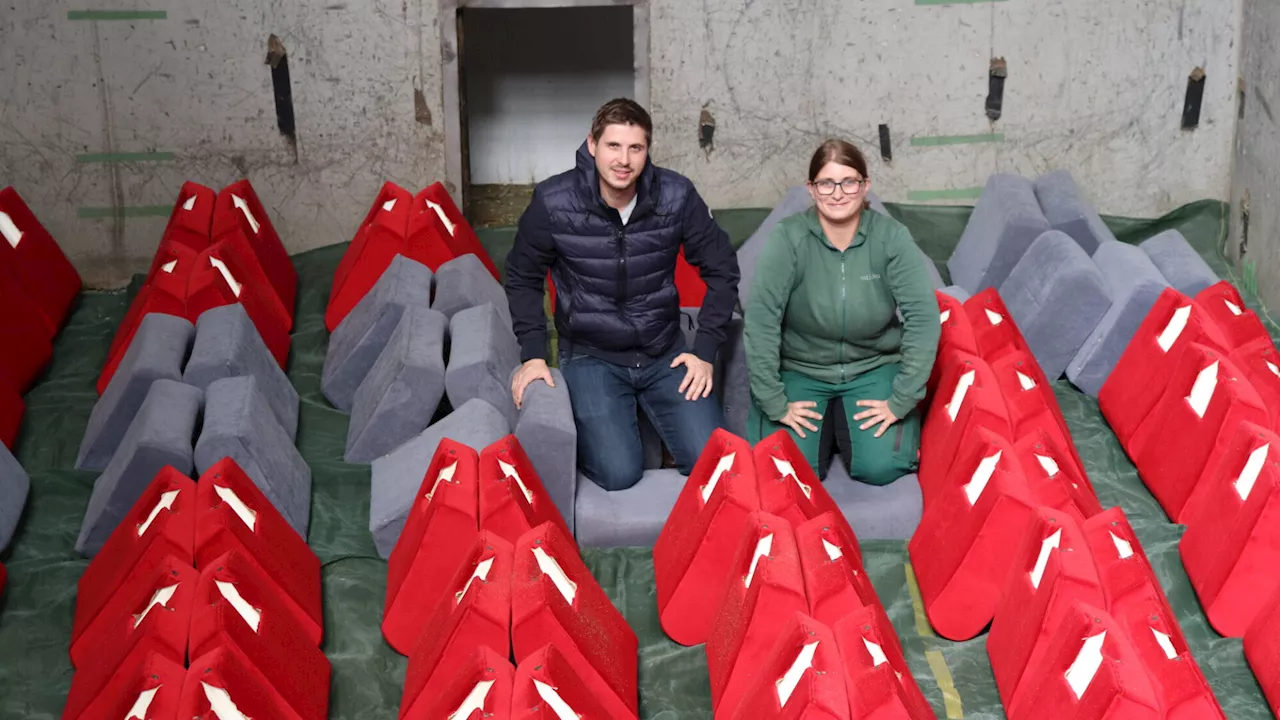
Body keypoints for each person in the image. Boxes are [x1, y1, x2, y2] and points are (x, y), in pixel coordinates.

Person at [504, 98, 741, 492]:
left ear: (647, 151)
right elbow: (522, 275)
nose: (624, 160)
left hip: (662, 349)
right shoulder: (553, 200)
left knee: (716, 463)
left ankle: (663, 434)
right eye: (613, 146)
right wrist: (532, 355)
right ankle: (638, 433)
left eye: (636, 148)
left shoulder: (676, 196)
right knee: (619, 473)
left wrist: (704, 351)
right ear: (592, 144)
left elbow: (722, 269)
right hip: (591, 354)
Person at [743, 139, 940, 484]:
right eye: (826, 183)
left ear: (865, 186)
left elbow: (923, 319)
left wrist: (901, 399)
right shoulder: (788, 238)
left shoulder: (891, 237)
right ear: (811, 188)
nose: (837, 193)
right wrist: (774, 401)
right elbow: (761, 321)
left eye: (849, 182)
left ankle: (844, 424)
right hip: (802, 368)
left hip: (871, 365)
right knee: (788, 472)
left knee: (882, 468)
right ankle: (827, 425)